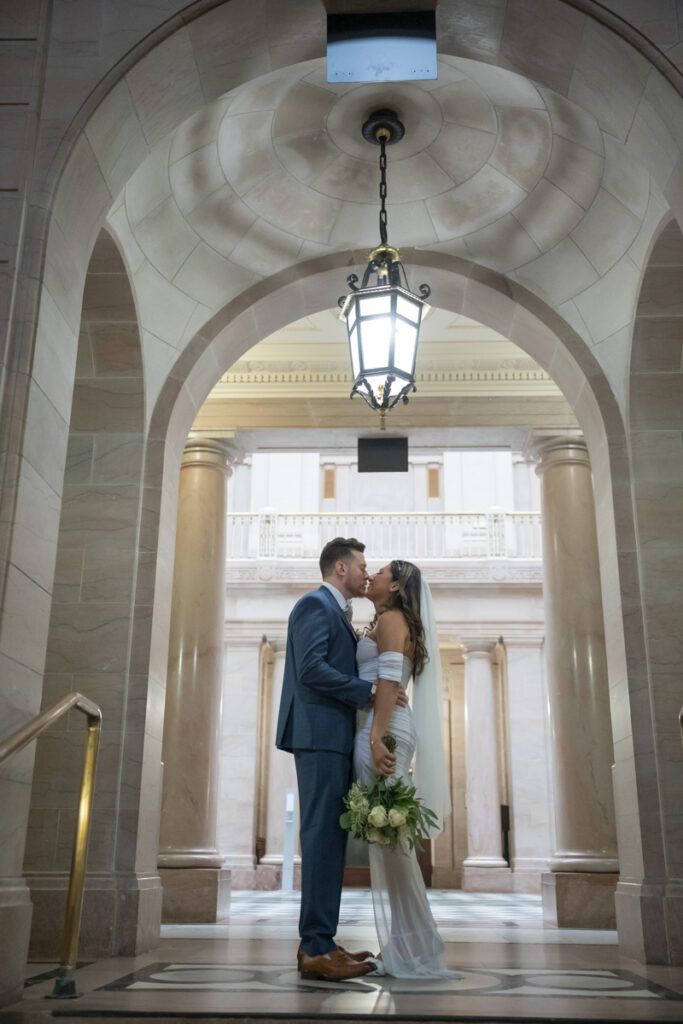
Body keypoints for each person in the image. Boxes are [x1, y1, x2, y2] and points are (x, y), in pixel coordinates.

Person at [275, 537, 408, 982]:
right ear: (339, 569)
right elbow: (310, 669)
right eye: (362, 566)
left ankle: (322, 942)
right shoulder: (316, 605)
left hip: (331, 735)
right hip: (318, 735)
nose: (367, 573)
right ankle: (314, 946)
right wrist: (369, 692)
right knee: (320, 838)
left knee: (330, 839)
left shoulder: (338, 612)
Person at [353, 559, 456, 978]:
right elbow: (384, 681)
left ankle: (416, 947)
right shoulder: (386, 619)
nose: (372, 576)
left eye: (379, 571)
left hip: (385, 731)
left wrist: (377, 739)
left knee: (392, 839)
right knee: (388, 839)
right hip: (383, 724)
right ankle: (408, 943)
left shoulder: (393, 618)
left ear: (395, 586)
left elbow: (392, 678)